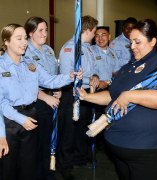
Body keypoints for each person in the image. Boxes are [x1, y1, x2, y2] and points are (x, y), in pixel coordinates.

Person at [77, 19, 157, 180]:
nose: (132, 46)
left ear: (153, 41)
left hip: (148, 149)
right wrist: (87, 96)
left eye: (137, 42)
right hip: (119, 147)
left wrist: (130, 95)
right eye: (131, 42)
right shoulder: (128, 66)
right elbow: (113, 96)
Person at [0, 23, 82, 180]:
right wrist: (3, 134)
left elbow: (49, 81)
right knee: (8, 169)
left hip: (31, 116)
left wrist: (70, 76)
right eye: (18, 38)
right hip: (8, 120)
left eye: (25, 38)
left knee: (29, 166)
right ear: (7, 41)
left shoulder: (30, 64)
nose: (24, 42)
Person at [56, 15, 98, 180]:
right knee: (68, 133)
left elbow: (90, 70)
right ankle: (63, 167)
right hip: (72, 94)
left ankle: (78, 159)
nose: (94, 35)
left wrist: (94, 76)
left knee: (81, 130)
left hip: (85, 93)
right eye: (94, 32)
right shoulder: (70, 48)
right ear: (87, 30)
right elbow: (68, 76)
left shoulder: (87, 47)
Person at [24, 16, 60, 180]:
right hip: (36, 101)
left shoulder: (49, 50)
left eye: (46, 30)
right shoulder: (25, 52)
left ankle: (48, 172)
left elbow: (54, 74)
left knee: (49, 141)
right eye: (40, 30)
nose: (45, 34)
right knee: (38, 144)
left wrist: (58, 89)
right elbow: (27, 84)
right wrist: (46, 97)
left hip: (52, 99)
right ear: (31, 33)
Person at [91, 26, 120, 90]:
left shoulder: (113, 53)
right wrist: (97, 82)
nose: (100, 38)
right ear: (94, 38)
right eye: (97, 36)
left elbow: (116, 72)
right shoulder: (90, 51)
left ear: (109, 37)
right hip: (94, 88)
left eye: (103, 35)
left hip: (111, 87)